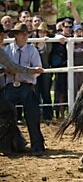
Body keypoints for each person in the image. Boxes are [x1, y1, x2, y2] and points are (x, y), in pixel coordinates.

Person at [3, 23, 45, 155]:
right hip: (10, 85)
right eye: (23, 33)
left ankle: (37, 145)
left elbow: (38, 70)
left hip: (26, 85)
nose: (25, 36)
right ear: (15, 35)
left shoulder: (32, 50)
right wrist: (7, 71)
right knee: (5, 115)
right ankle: (9, 144)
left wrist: (25, 72)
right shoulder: (7, 50)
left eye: (26, 34)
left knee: (33, 115)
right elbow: (3, 68)